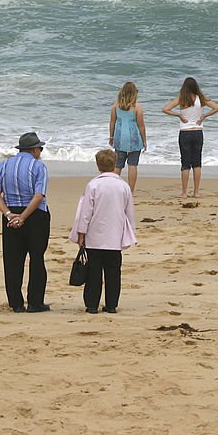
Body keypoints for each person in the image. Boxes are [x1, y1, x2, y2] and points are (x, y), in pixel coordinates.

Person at [0, 132, 51, 313]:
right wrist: (23, 216)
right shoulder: (39, 167)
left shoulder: (3, 165)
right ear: (33, 149)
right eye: (40, 148)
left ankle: (16, 303)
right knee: (37, 258)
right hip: (35, 215)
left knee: (13, 260)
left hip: (11, 214)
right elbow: (39, 196)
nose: (40, 151)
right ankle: (35, 302)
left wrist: (9, 214)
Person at [69, 149, 137, 314]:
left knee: (94, 272)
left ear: (98, 166)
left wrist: (81, 233)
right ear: (115, 165)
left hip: (94, 237)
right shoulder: (123, 186)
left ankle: (92, 305)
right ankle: (111, 304)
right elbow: (129, 213)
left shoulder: (93, 185)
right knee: (113, 272)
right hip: (114, 236)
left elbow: (85, 213)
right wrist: (129, 233)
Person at [161, 77, 218, 198]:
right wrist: (204, 116)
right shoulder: (200, 99)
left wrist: (178, 115)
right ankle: (196, 192)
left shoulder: (181, 99)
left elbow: (165, 109)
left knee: (185, 163)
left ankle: (184, 192)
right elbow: (217, 107)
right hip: (198, 133)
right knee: (197, 163)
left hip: (185, 133)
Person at [108, 81, 148, 192]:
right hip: (134, 139)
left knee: (118, 165)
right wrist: (144, 141)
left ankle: (114, 189)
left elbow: (112, 123)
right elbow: (141, 126)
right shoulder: (137, 107)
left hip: (120, 139)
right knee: (132, 165)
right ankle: (130, 190)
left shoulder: (115, 106)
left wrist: (111, 137)